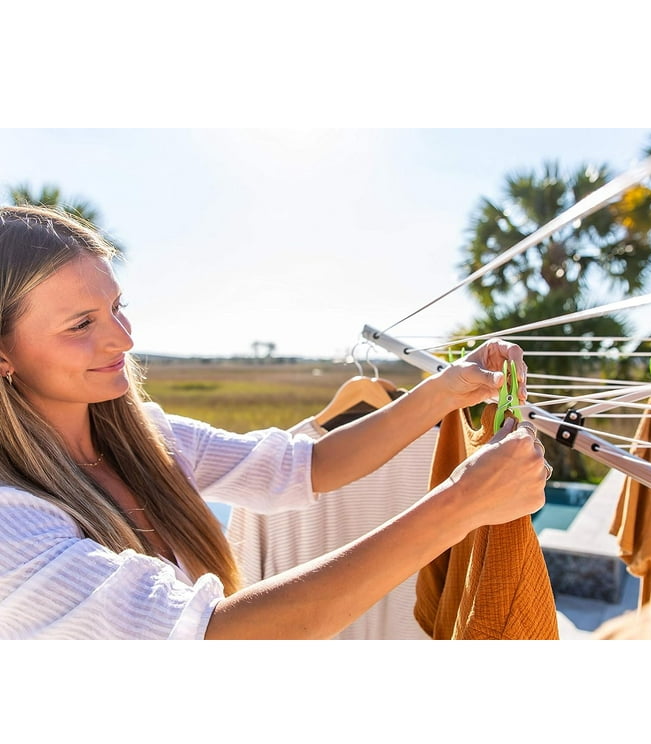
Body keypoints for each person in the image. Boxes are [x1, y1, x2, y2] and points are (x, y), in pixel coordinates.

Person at [0, 204, 550, 640]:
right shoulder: (10, 521)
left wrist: (443, 392)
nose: (124, 338)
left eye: (118, 306)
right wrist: (463, 503)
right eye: (81, 324)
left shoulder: (149, 436)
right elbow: (212, 640)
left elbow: (304, 465)